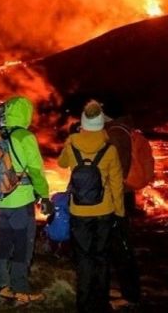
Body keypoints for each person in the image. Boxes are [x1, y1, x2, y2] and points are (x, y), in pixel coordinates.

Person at [58, 100, 124, 313]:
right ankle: (101, 302)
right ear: (101, 124)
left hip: (79, 211)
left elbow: (61, 163)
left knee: (84, 257)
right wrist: (119, 211)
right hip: (104, 211)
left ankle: (84, 303)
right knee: (102, 256)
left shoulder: (71, 144)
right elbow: (116, 183)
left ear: (84, 123)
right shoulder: (110, 149)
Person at [0, 96, 52, 305]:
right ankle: (20, 290)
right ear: (26, 113)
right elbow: (36, 171)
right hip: (21, 202)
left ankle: (2, 286)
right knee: (22, 246)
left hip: (0, 200)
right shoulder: (25, 136)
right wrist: (44, 195)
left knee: (3, 244)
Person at [104, 115, 143, 309]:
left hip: (117, 197)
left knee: (121, 246)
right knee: (115, 245)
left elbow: (116, 169)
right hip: (122, 195)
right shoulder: (120, 130)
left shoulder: (115, 134)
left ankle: (131, 295)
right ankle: (125, 290)